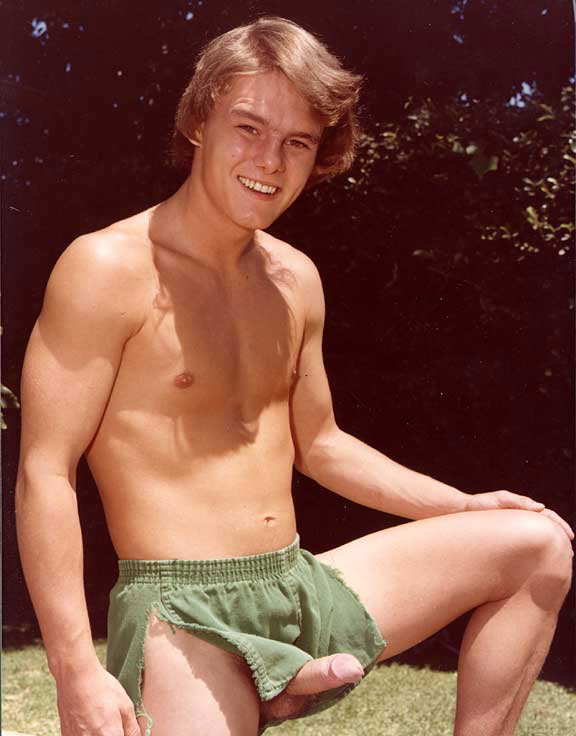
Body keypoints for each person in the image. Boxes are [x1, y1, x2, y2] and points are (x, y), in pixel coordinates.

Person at [15, 16, 573, 736]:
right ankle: (250, 688)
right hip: (183, 614)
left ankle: (289, 674)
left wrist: (465, 506)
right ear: (199, 122)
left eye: (297, 142)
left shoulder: (294, 278)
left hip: (298, 583)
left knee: (535, 544)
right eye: (248, 127)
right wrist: (74, 670)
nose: (270, 161)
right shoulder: (105, 268)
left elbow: (321, 443)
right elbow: (45, 471)